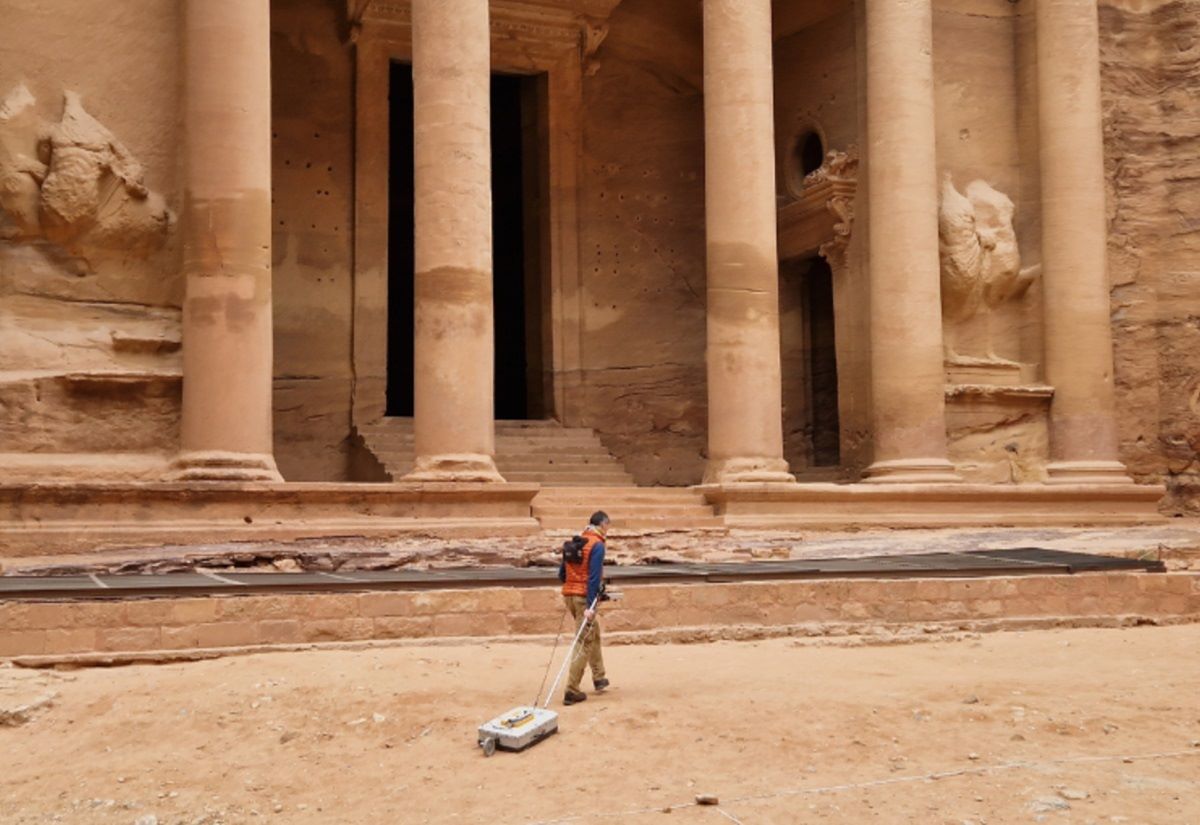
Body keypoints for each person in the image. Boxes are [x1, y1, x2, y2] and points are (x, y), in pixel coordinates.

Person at [558, 510, 610, 705]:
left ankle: (599, 677)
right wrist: (590, 604)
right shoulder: (597, 544)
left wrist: (572, 586)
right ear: (603, 524)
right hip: (583, 598)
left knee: (592, 632)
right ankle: (572, 689)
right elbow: (594, 577)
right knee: (583, 641)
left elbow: (562, 572)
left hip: (569, 595)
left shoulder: (577, 541)